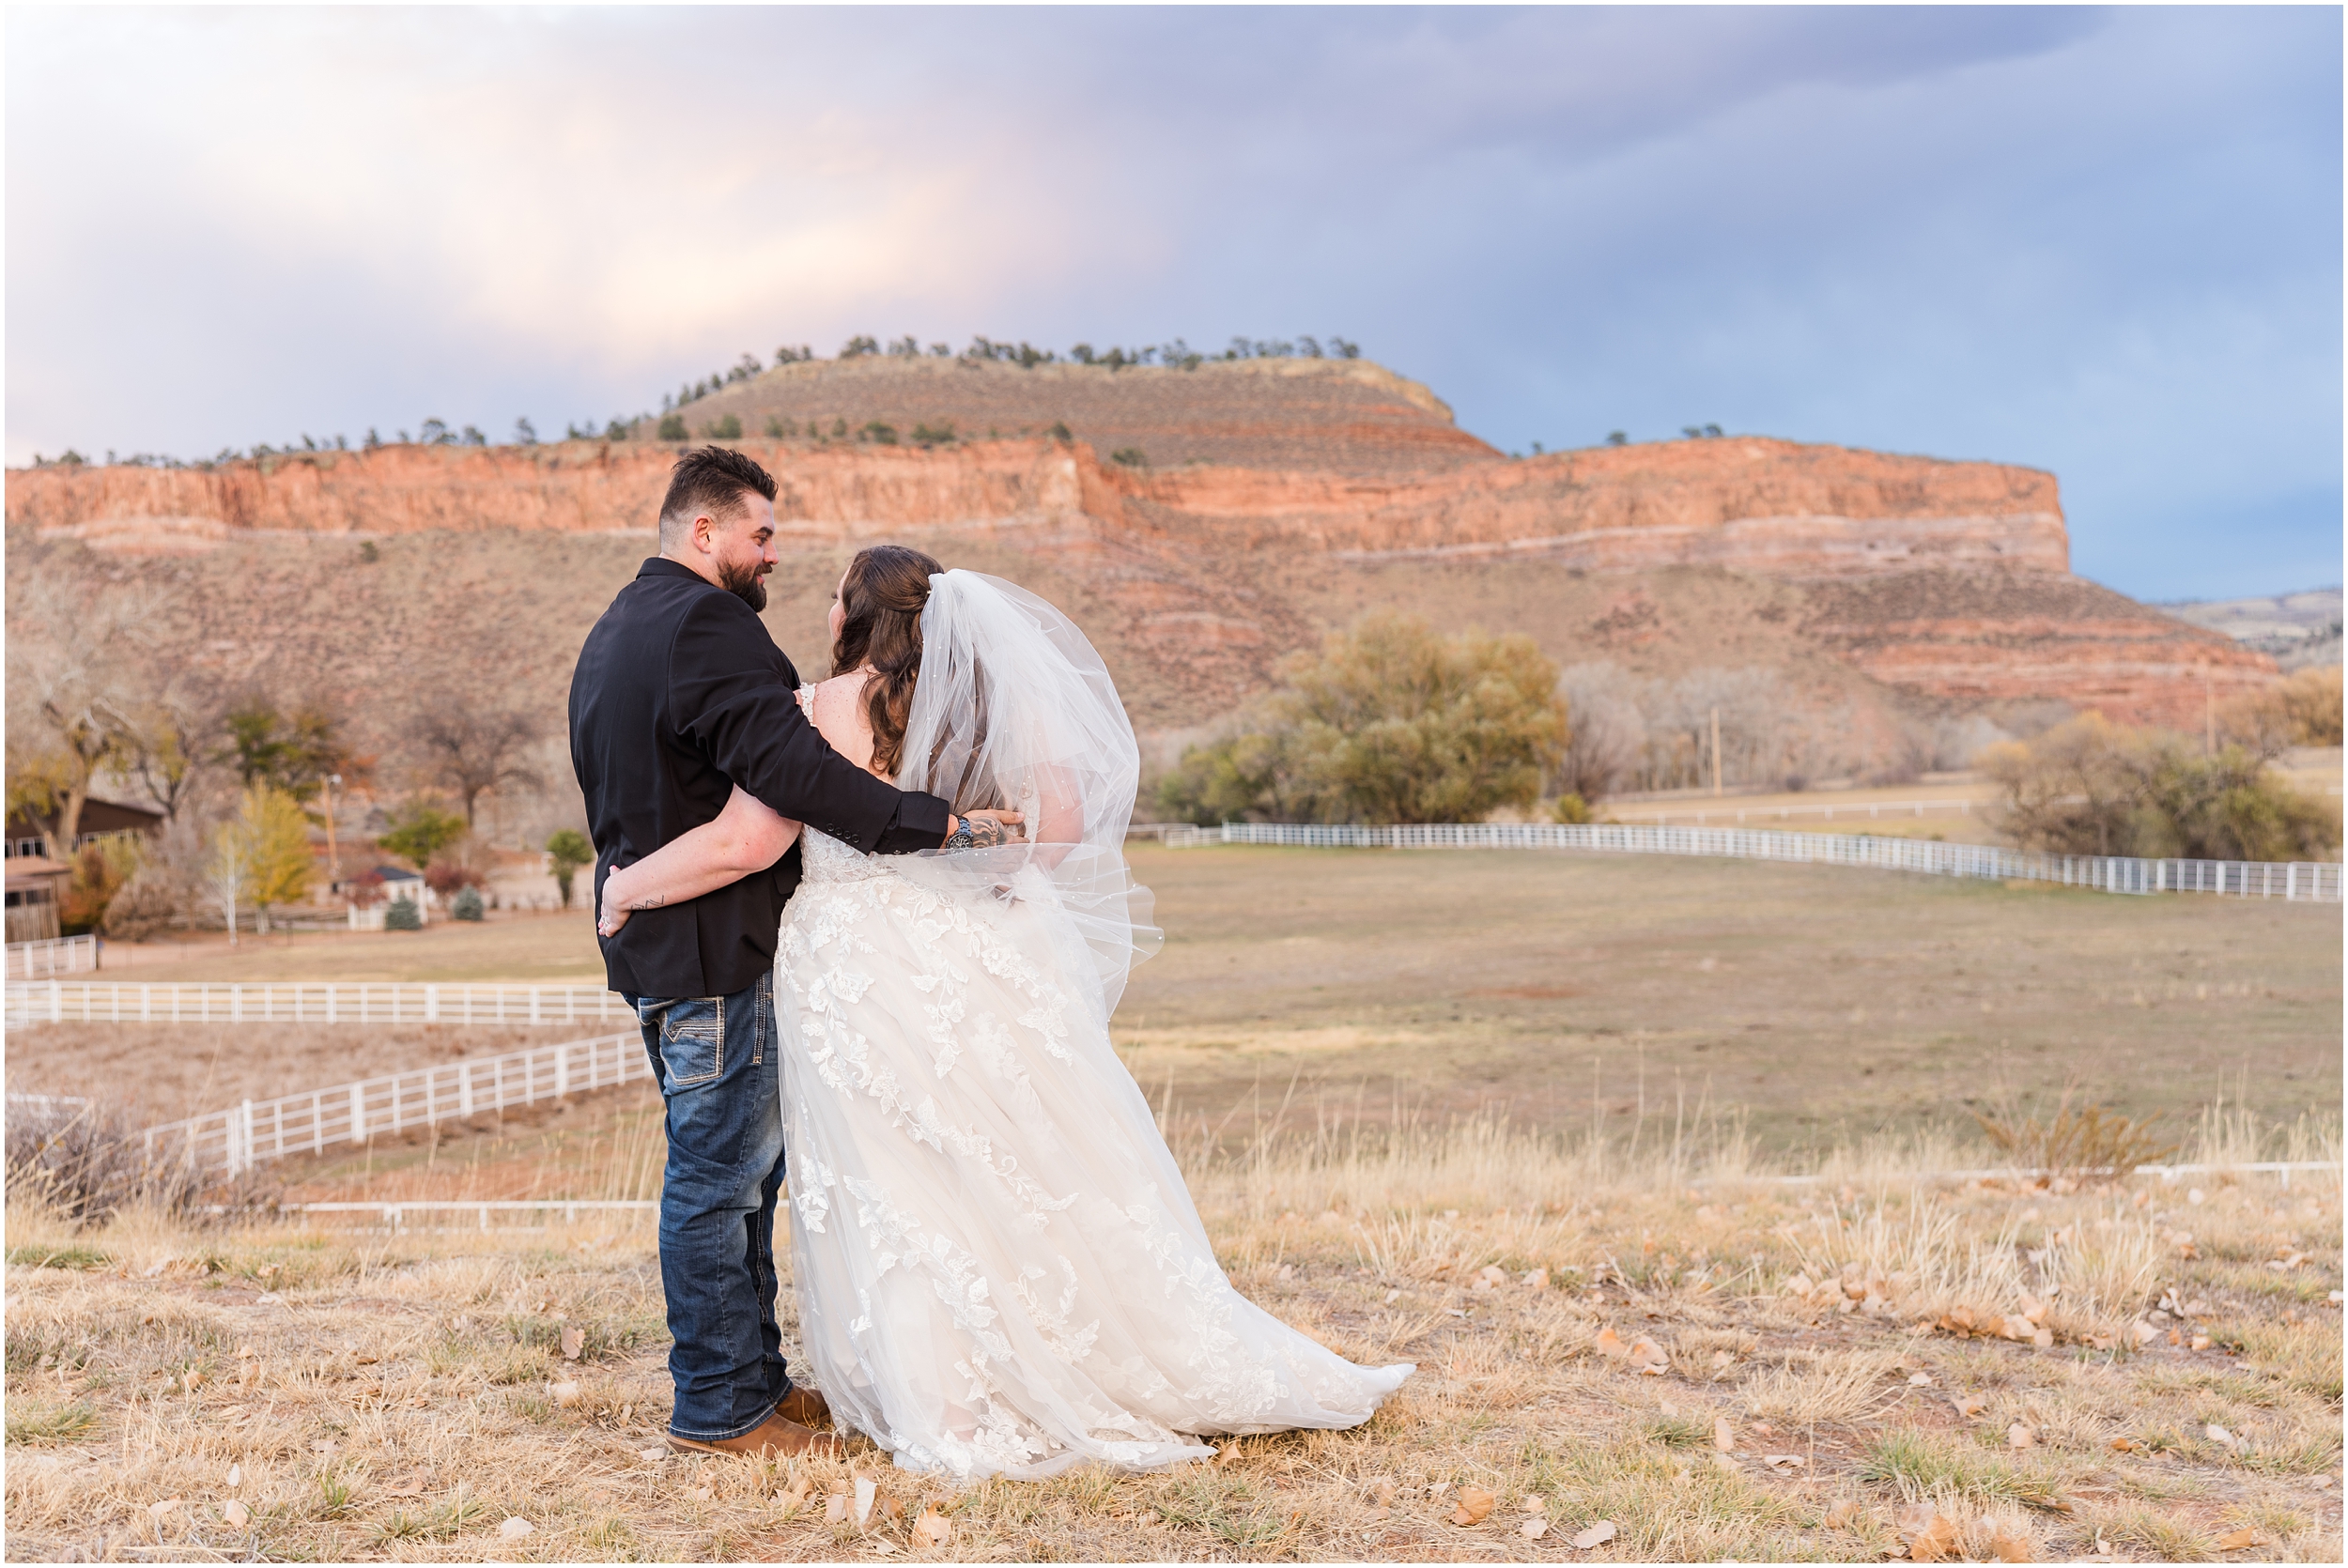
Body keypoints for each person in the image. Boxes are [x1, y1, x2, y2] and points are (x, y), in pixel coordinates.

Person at [599, 545, 1412, 1480]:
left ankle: (944, 1397)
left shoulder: (814, 711)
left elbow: (747, 840)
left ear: (852, 616)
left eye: (833, 596)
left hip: (853, 965)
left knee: (894, 1179)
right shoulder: (990, 705)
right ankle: (1073, 1355)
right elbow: (1060, 823)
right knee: (1013, 1166)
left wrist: (629, 886)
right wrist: (994, 887)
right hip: (967, 956)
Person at [568, 451, 1020, 1461]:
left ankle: (756, 1382)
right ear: (702, 533)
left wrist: (630, 887)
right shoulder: (711, 628)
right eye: (760, 534)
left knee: (742, 1179)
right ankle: (722, 1407)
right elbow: (788, 781)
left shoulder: (618, 628)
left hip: (661, 950)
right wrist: (935, 825)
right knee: (718, 1183)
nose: (774, 553)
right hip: (716, 947)